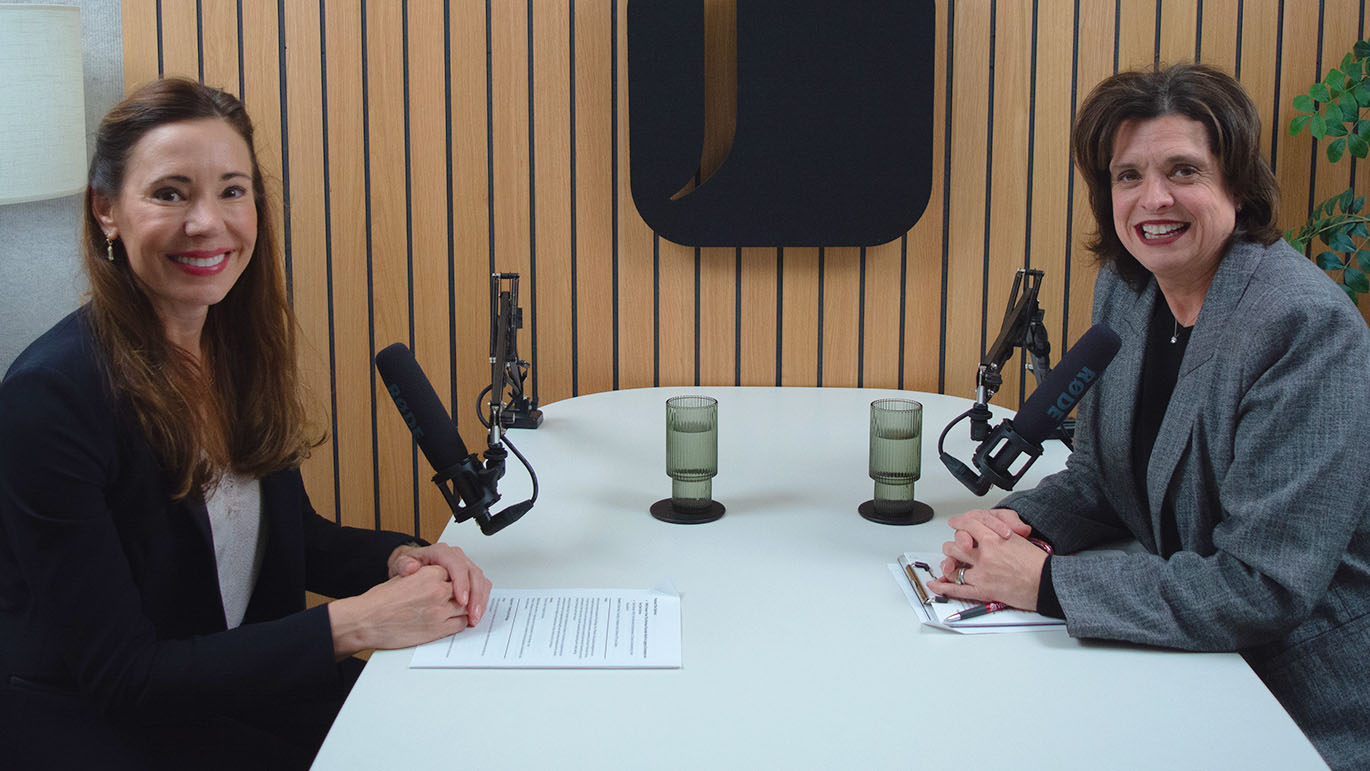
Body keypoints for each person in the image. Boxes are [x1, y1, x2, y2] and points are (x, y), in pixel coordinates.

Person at [0, 78, 491, 769]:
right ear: (106, 209)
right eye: (170, 193)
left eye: (232, 190)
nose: (208, 221)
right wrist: (354, 623)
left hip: (233, 691)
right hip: (113, 731)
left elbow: (290, 539)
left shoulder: (230, 347)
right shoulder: (48, 398)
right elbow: (124, 675)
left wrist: (400, 558)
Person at [928, 64, 1370, 769]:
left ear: (1238, 185)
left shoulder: (1302, 327)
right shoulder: (1130, 290)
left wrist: (1042, 582)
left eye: (1183, 170)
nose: (1152, 198)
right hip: (1182, 663)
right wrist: (1022, 524)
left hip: (1294, 700)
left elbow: (1264, 587)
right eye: (1127, 175)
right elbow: (1104, 474)